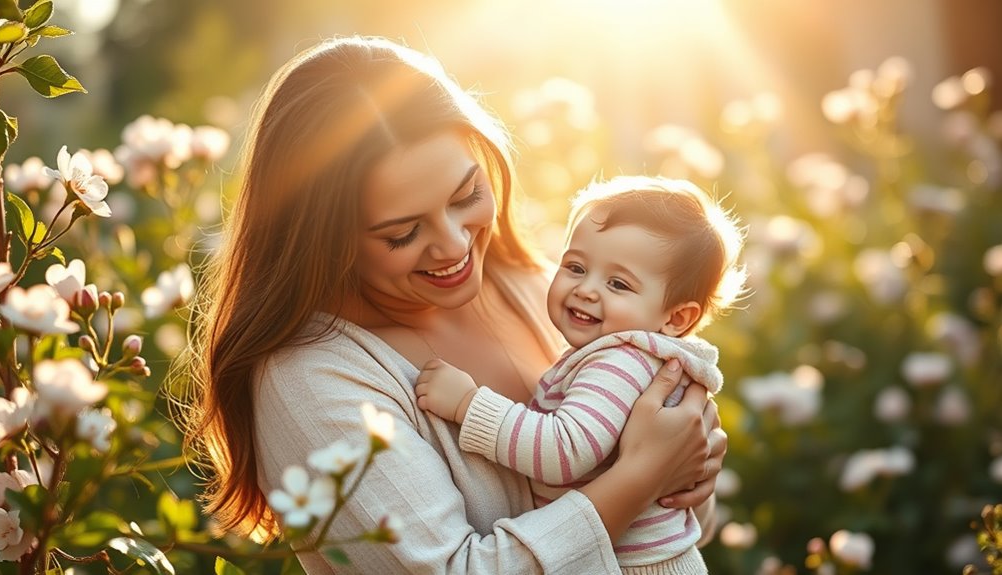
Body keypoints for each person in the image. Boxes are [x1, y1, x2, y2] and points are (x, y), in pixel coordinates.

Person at [175, 35, 727, 573]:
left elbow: (677, 536)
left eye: (466, 197)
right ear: (321, 237)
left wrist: (691, 468)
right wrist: (642, 475)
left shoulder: (541, 288)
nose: (456, 246)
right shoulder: (310, 380)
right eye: (402, 233)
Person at [415, 176, 747, 574]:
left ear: (676, 318)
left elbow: (566, 452)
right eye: (575, 266)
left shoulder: (621, 362)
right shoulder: (623, 355)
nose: (586, 289)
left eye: (618, 283)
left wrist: (470, 406)